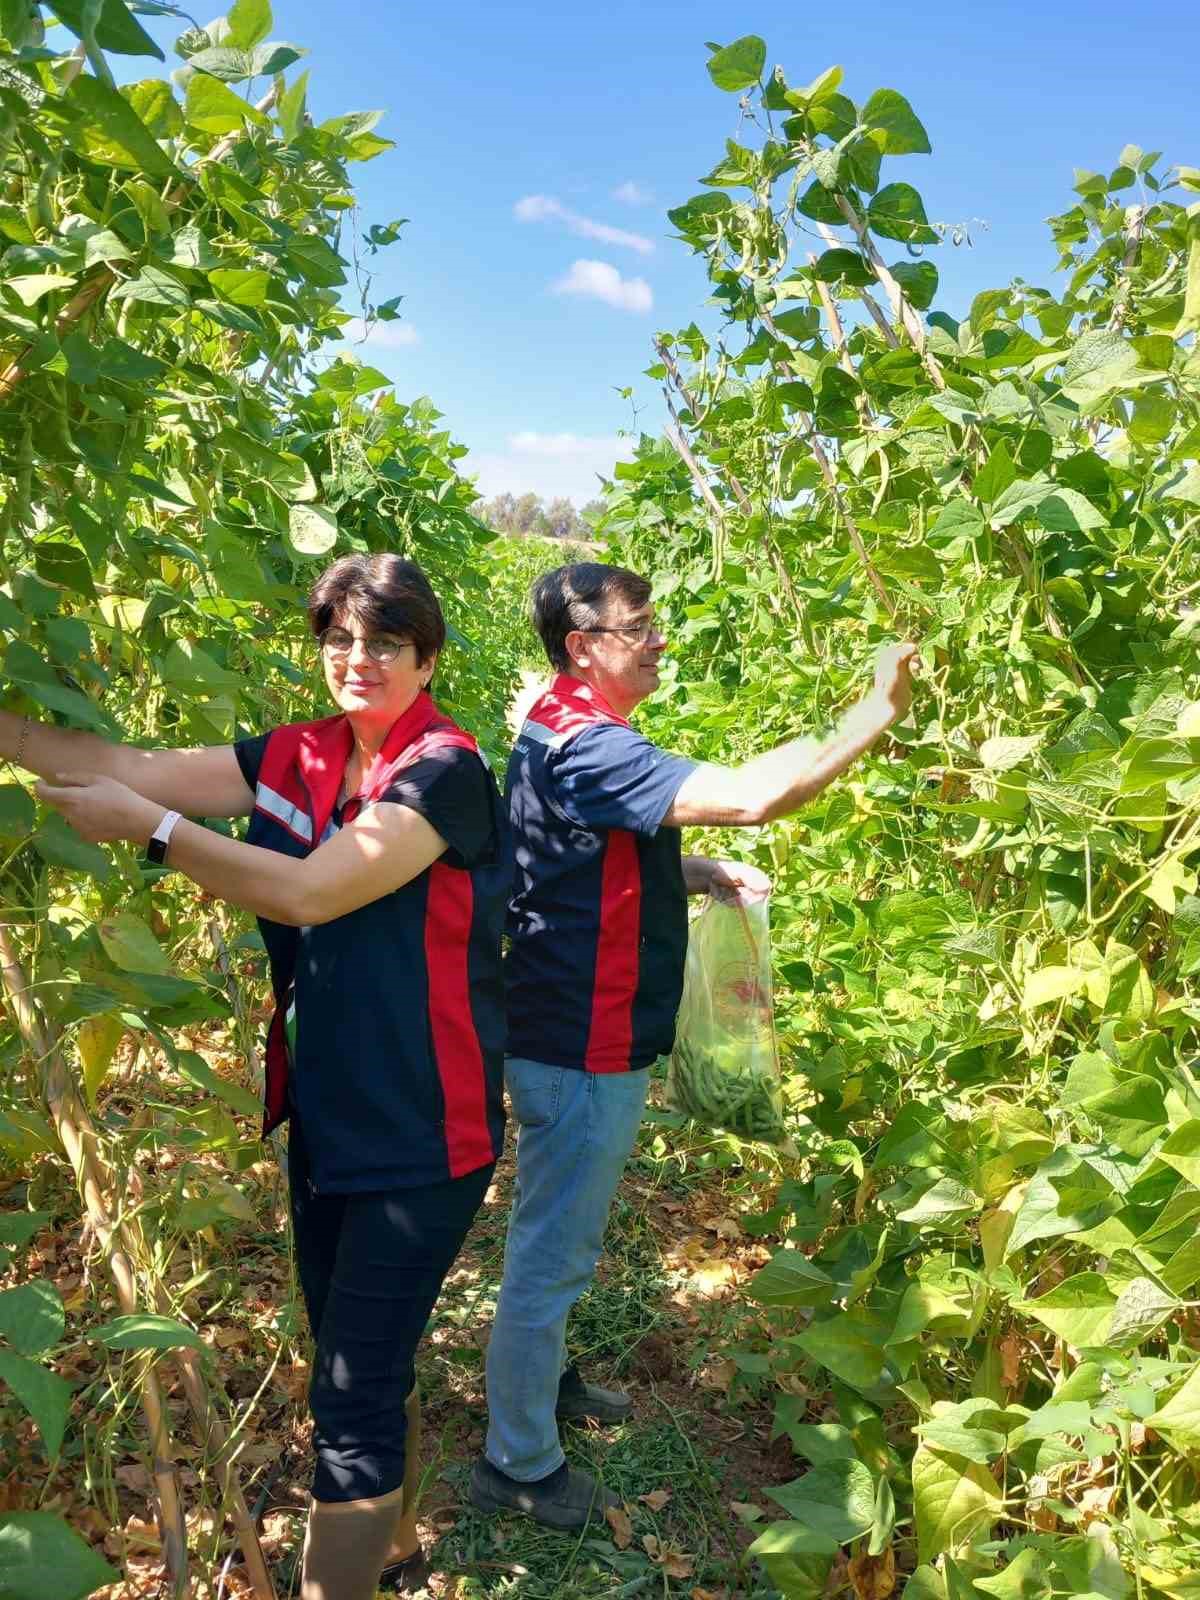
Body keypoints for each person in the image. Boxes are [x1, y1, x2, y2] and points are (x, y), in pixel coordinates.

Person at [2, 555, 509, 1600]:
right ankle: (393, 1538)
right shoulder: (298, 754)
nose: (358, 659)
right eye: (340, 639)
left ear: (426, 659)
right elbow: (130, 763)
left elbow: (313, 890)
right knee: (357, 1353)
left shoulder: (444, 771)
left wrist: (155, 833)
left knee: (353, 1391)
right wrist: (11, 733)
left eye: (386, 643)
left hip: (427, 1123)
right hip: (329, 1109)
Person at [471, 561, 917, 1529]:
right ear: (584, 646)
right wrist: (873, 714)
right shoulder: (592, 745)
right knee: (553, 1253)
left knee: (558, 1234)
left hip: (564, 1024)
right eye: (639, 627)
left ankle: (543, 1386)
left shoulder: (553, 716)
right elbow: (757, 793)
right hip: (581, 1042)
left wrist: (692, 868)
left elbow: (576, 851)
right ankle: (518, 1461)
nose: (659, 640)